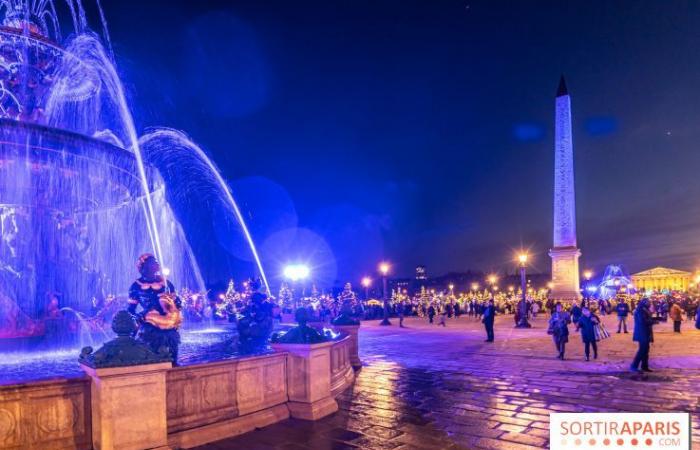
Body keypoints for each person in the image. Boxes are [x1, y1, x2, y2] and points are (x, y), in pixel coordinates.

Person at [127, 253, 182, 364]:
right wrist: (137, 316)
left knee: (172, 353)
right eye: (153, 262)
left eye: (156, 261)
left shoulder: (166, 283)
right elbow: (131, 309)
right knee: (151, 355)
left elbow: (177, 302)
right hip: (149, 324)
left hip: (168, 323)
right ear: (144, 266)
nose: (157, 263)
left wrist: (177, 302)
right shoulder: (136, 286)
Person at [630, 298, 655, 373]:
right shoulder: (640, 310)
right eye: (648, 302)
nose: (650, 303)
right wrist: (653, 322)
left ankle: (644, 366)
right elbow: (643, 321)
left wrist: (656, 319)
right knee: (642, 350)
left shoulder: (644, 309)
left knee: (646, 350)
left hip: (645, 332)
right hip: (642, 332)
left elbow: (648, 318)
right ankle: (634, 366)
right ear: (644, 303)